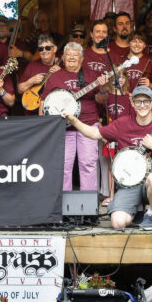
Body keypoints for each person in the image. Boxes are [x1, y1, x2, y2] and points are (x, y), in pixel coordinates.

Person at [64, 86, 152, 230]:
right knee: (118, 223)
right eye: (138, 101)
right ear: (132, 103)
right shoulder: (123, 123)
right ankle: (137, 210)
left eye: (146, 101)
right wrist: (73, 120)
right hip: (129, 185)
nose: (142, 105)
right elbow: (94, 133)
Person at [41, 42, 109, 192]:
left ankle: (89, 204)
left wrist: (103, 88)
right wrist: (46, 124)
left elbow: (101, 100)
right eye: (68, 55)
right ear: (63, 58)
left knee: (88, 164)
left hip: (88, 125)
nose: (71, 57)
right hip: (63, 128)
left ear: (82, 58)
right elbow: (44, 101)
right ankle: (64, 204)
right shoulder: (55, 76)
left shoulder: (91, 75)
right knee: (64, 165)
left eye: (75, 55)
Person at [17, 34, 62, 100]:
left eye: (47, 48)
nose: (44, 51)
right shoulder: (32, 65)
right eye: (41, 49)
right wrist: (31, 81)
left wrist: (62, 73)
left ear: (54, 49)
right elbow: (19, 90)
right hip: (33, 106)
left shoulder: (62, 64)